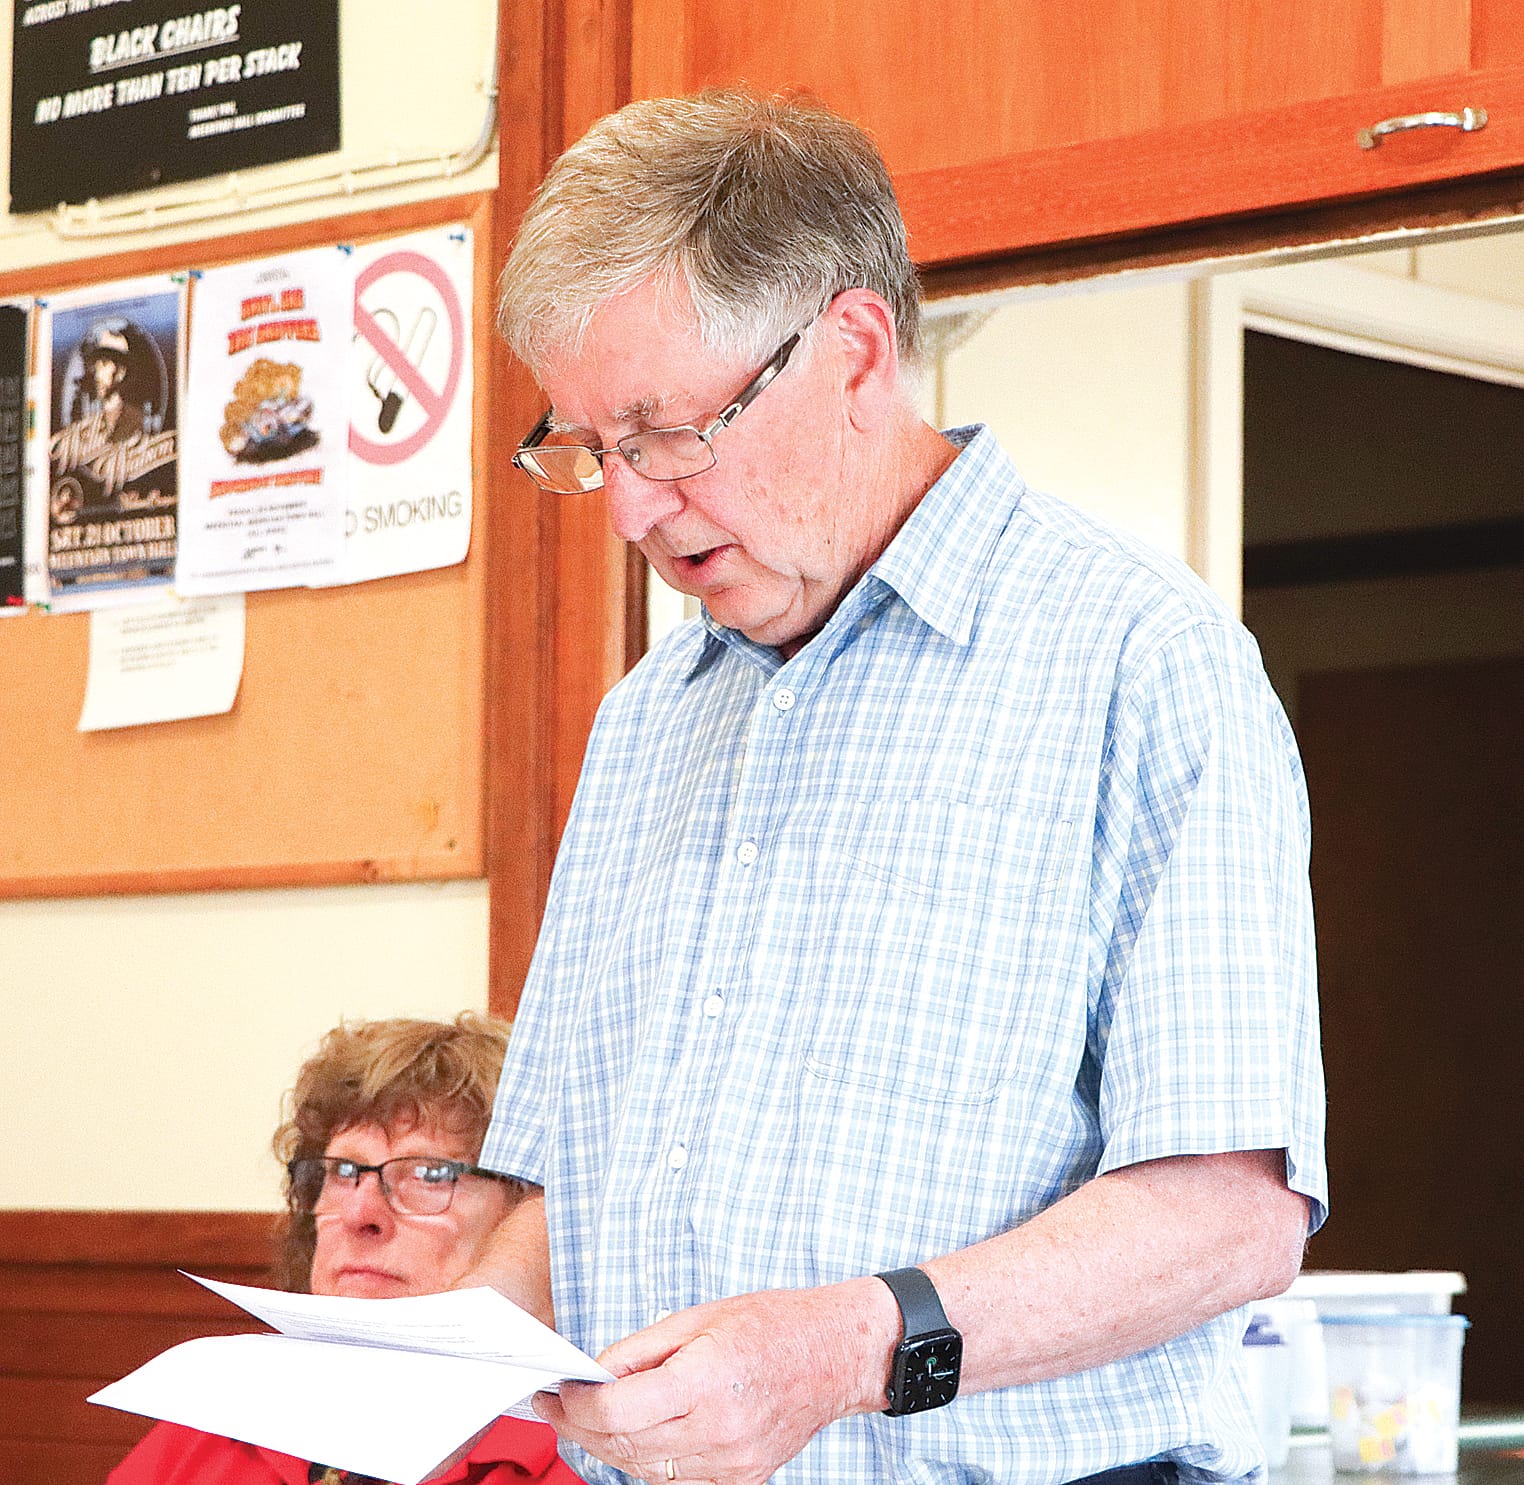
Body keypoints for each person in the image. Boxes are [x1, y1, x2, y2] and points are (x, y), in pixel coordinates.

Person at [471, 88, 1327, 1485]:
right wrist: (396, 1367)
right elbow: (570, 1193)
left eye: (667, 430)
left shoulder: (1140, 663)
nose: (627, 507)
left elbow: (1232, 1219)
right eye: (589, 448)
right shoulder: (642, 727)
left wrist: (842, 1350)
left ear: (855, 351)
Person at [109, 1014, 583, 1485]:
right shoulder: (217, 1419)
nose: (360, 1214)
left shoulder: (594, 1450)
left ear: (530, 1223)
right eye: (341, 1171)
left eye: (429, 1174)